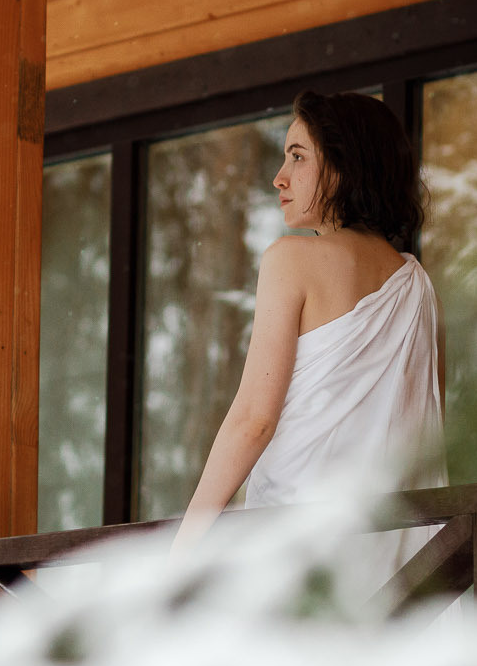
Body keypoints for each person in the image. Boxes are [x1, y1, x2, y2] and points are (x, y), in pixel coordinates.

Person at [173, 90, 445, 550]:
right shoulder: (419, 286)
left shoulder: (290, 261)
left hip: (299, 538)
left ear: (346, 165)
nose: (280, 178)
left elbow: (254, 420)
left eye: (298, 157)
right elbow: (427, 429)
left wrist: (186, 538)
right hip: (393, 544)